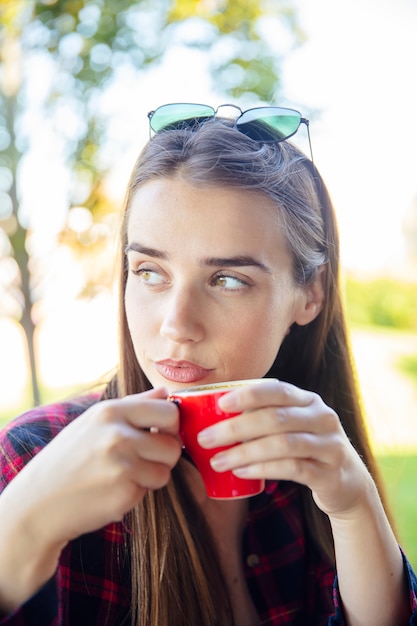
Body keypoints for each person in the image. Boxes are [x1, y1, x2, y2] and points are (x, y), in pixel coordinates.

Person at [0, 103, 416, 626]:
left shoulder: (307, 472)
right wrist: (22, 528)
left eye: (227, 280)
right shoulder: (30, 458)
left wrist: (356, 507)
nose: (177, 324)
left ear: (308, 294)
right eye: (149, 271)